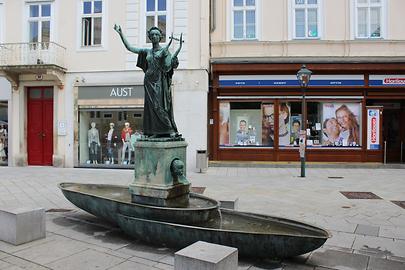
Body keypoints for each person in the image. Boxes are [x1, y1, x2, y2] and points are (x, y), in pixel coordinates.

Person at [114, 24, 183, 138]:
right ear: (150, 37)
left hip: (159, 81)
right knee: (150, 108)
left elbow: (168, 67)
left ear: (160, 37)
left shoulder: (164, 51)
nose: (154, 36)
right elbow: (130, 48)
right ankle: (154, 131)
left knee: (159, 106)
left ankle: (169, 129)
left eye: (157, 34)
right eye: (152, 35)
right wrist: (121, 33)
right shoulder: (147, 51)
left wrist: (173, 60)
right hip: (148, 81)